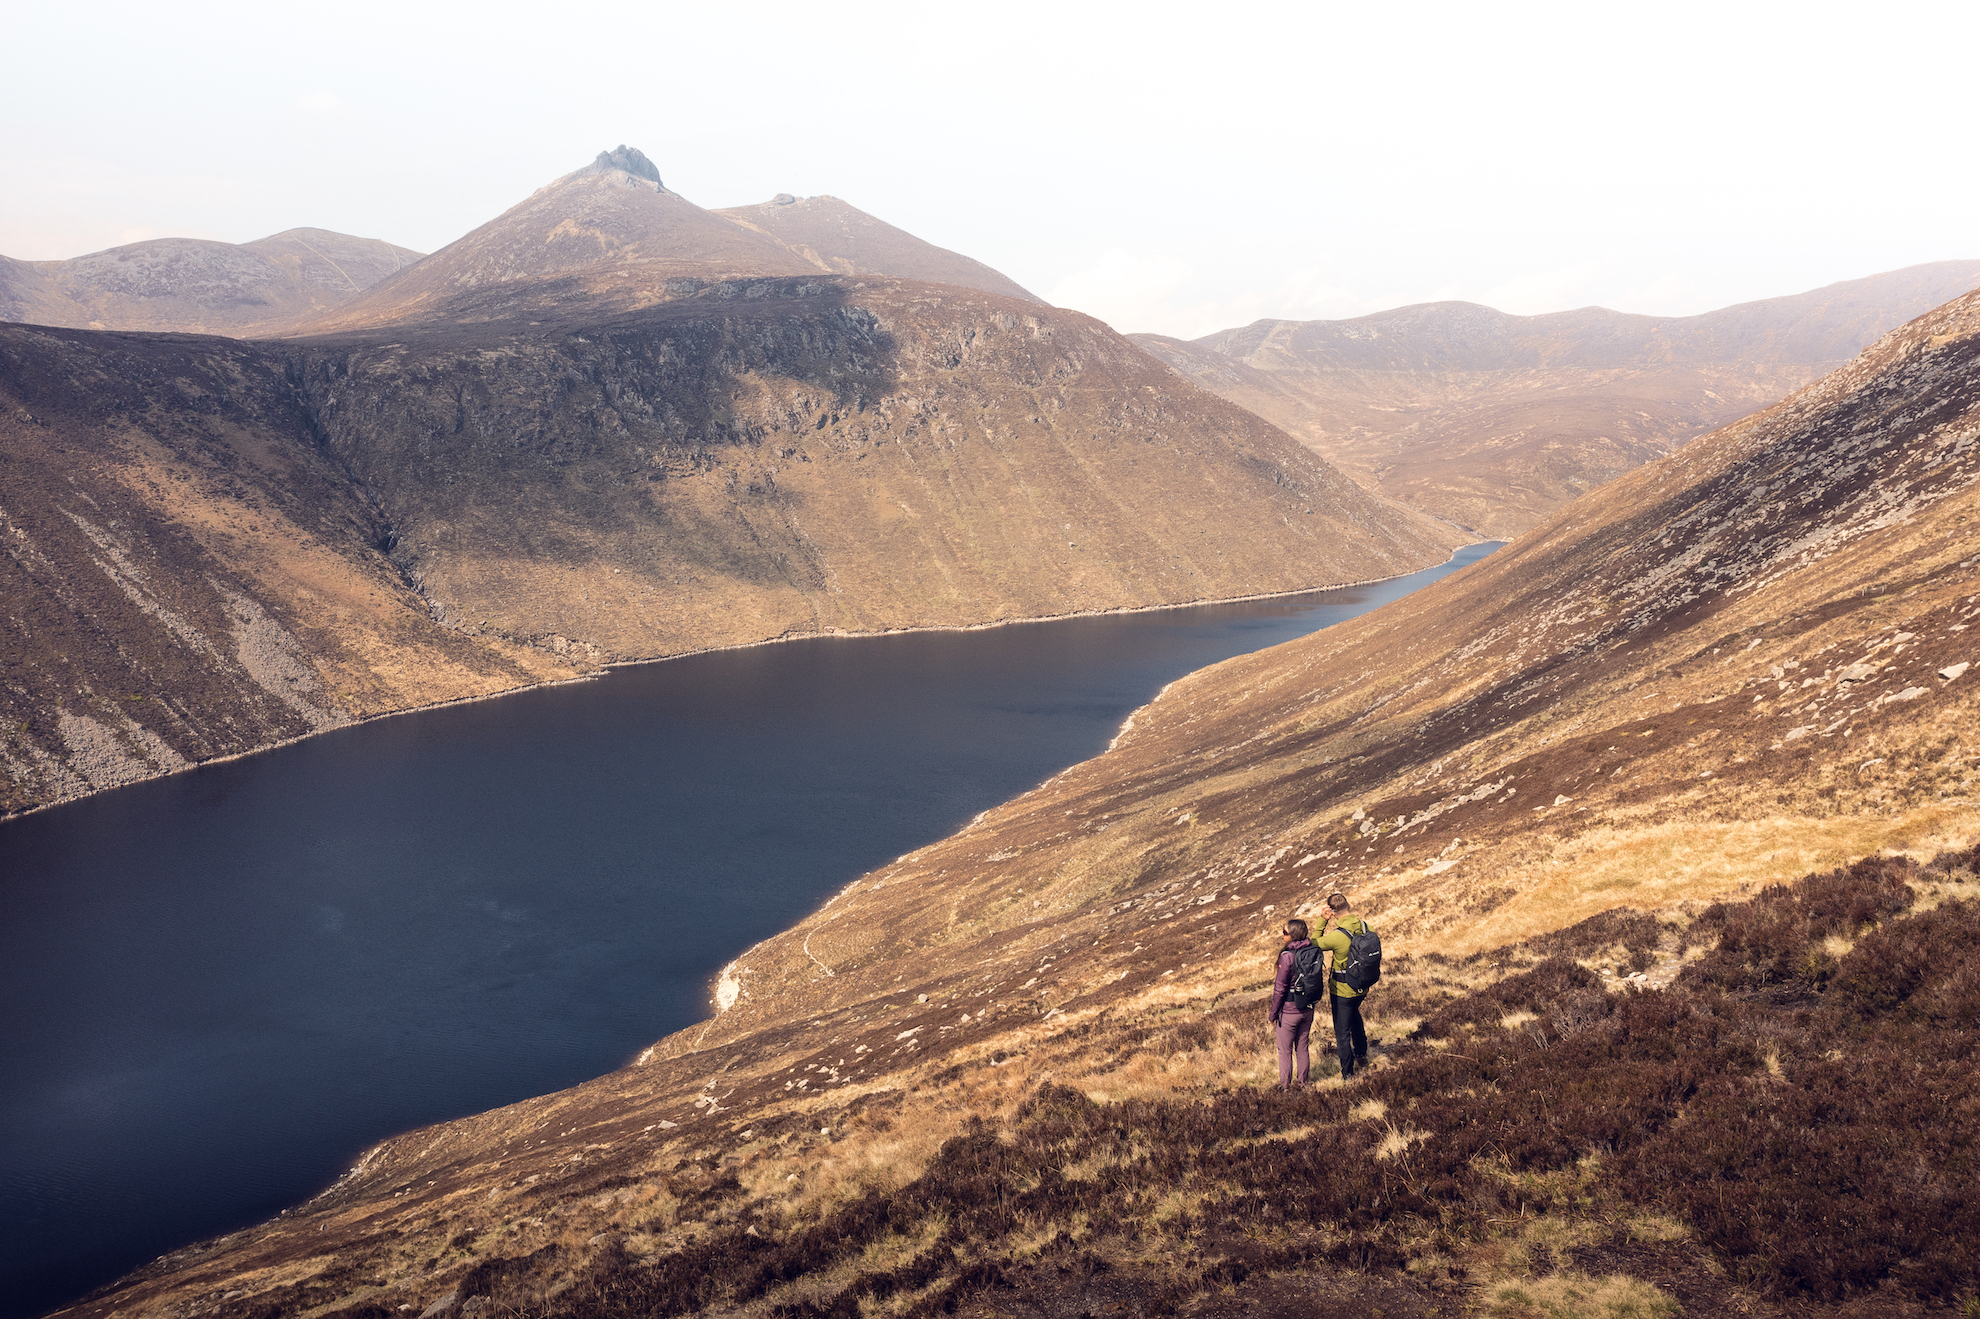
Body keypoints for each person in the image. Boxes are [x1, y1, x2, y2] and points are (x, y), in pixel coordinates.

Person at [1317, 892, 1371, 1079]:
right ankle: (1362, 1053)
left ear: (1332, 912)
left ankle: (1348, 1074)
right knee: (1355, 1015)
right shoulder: (1365, 927)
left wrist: (1322, 922)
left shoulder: (1337, 936)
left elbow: (1313, 944)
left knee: (1342, 1033)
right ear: (1349, 904)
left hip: (1342, 989)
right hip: (1363, 986)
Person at [1268, 918, 1316, 1089]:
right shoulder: (1311, 950)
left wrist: (1272, 1015)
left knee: (1285, 1051)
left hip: (1289, 1011)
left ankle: (1285, 1087)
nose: (1282, 935)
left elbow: (1280, 989)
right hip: (1308, 1008)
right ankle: (1302, 1083)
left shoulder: (1287, 956)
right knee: (1302, 1048)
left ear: (1293, 935)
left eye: (1285, 932)